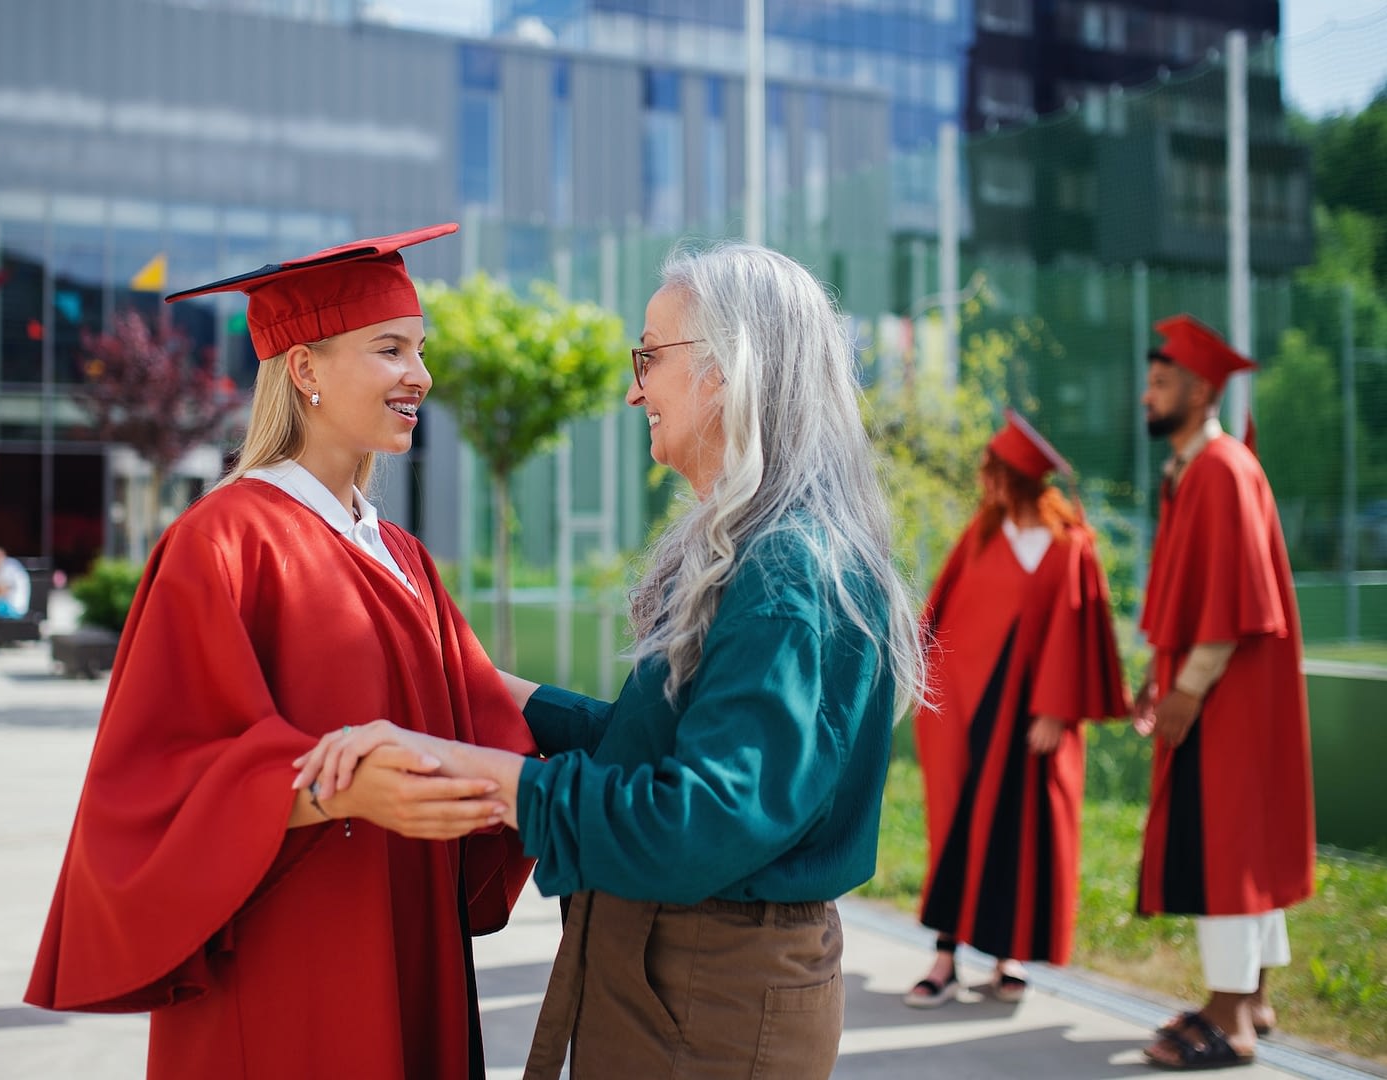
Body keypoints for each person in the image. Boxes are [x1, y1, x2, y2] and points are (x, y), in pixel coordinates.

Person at [297, 241, 924, 1079]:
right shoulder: (765, 548)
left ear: (728, 367)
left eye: (650, 357)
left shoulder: (785, 567)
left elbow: (698, 819)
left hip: (711, 989)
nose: (635, 389)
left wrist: (481, 772)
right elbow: (663, 745)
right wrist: (497, 696)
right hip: (690, 972)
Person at [24, 223, 537, 1080]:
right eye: (390, 349)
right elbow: (158, 774)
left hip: (411, 926)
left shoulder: (397, 551)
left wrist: (639, 729)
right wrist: (335, 788)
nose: (421, 376)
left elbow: (480, 701)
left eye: (419, 349)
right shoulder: (222, 541)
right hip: (290, 948)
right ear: (303, 370)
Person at [1133, 315, 1314, 1071]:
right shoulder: (1192, 470)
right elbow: (1196, 589)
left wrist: (1187, 686)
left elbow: (1237, 597)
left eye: (1160, 382)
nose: (1145, 396)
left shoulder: (1220, 470)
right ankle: (1252, 998)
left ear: (1201, 390)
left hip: (1227, 696)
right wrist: (1159, 671)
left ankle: (1230, 1016)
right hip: (1224, 692)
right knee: (1245, 841)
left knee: (1223, 846)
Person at [904, 411, 1128, 1009]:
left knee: (1019, 832)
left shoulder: (1069, 548)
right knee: (953, 826)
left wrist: (1056, 709)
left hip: (1032, 719)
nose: (986, 483)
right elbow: (938, 617)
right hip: (962, 713)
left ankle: (1009, 958)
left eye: (994, 473)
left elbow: (1077, 637)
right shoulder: (981, 537)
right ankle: (945, 958)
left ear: (1019, 480)